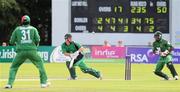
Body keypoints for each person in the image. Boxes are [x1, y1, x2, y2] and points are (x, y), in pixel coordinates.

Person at [5, 15, 49, 89]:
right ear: (29, 21)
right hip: (32, 51)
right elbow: (37, 40)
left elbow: (11, 42)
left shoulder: (17, 29)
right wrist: (34, 46)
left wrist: (18, 43)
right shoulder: (33, 29)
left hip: (21, 52)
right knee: (40, 66)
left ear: (22, 21)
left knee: (13, 67)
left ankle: (9, 84)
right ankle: (43, 83)